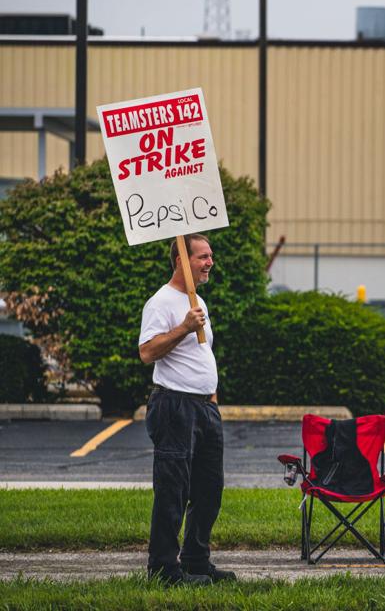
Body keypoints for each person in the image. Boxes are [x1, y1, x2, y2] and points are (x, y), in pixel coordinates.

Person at [137, 233, 235, 585]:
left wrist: (212, 397)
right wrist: (183, 328)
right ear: (181, 259)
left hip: (205, 409)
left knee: (209, 490)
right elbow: (148, 352)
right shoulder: (161, 303)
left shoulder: (199, 303)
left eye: (210, 256)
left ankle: (195, 561)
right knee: (172, 491)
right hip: (174, 406)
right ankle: (163, 570)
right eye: (202, 257)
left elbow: (200, 355)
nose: (210, 262)